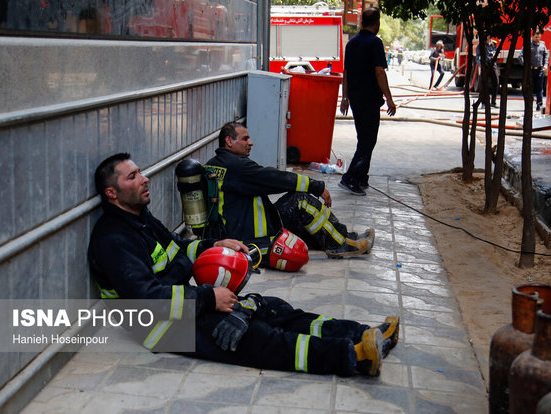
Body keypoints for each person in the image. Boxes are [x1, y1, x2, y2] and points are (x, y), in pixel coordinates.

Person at [87, 153, 399, 377]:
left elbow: (178, 247)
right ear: (112, 193)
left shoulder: (139, 218)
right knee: (255, 337)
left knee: (271, 308)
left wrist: (215, 244)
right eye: (133, 176)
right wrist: (210, 299)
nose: (145, 178)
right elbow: (147, 301)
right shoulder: (113, 239)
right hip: (160, 329)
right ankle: (355, 357)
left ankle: (362, 334)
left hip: (182, 307)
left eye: (140, 172)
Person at [204, 122, 375, 261]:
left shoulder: (214, 164)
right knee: (301, 201)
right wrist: (316, 186)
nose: (251, 142)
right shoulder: (237, 166)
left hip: (239, 230)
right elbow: (275, 179)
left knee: (301, 216)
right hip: (254, 238)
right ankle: (341, 245)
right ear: (229, 141)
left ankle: (344, 236)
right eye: (245, 139)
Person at [339, 7, 396, 196]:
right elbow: (379, 72)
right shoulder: (375, 43)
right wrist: (389, 98)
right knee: (368, 140)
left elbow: (346, 73)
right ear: (377, 23)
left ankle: (362, 177)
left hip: (355, 98)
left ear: (362, 21)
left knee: (364, 137)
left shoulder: (352, 43)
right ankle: (350, 178)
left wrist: (344, 97)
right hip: (370, 99)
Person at [519, 30, 549, 111]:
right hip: (530, 71)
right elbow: (520, 56)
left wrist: (545, 65)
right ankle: (529, 104)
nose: (537, 38)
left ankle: (539, 103)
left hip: (539, 70)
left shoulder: (542, 45)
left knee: (539, 88)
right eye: (536, 37)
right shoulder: (528, 45)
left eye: (539, 37)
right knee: (529, 87)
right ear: (532, 37)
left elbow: (546, 56)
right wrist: (527, 66)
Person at [476, 36, 499, 108]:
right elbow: (477, 57)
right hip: (485, 66)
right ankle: (483, 102)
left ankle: (493, 102)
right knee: (484, 84)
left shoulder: (494, 44)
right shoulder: (481, 45)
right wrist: (481, 65)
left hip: (493, 65)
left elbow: (495, 53)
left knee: (496, 82)